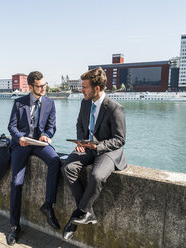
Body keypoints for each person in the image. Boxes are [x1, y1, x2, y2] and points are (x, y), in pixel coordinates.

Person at [62, 67, 127, 240]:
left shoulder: (115, 108)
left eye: (84, 87)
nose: (81, 90)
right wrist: (81, 142)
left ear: (96, 88)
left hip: (108, 151)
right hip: (87, 147)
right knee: (68, 167)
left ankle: (75, 219)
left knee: (97, 176)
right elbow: (80, 125)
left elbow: (120, 140)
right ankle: (87, 212)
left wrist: (97, 147)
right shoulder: (84, 102)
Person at [7, 71, 61, 246]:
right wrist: (19, 138)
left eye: (45, 85)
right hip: (22, 144)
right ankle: (15, 226)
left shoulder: (50, 103)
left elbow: (52, 126)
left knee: (55, 160)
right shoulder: (18, 103)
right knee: (16, 183)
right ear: (30, 87)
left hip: (39, 143)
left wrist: (46, 135)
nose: (44, 88)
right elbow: (12, 126)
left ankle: (48, 205)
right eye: (40, 86)